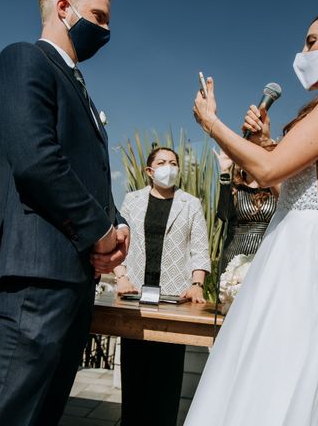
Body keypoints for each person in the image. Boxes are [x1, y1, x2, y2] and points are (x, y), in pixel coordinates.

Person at [186, 8, 318, 425]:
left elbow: (266, 172)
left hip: (303, 251)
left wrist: (212, 123)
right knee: (281, 372)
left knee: (274, 370)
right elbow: (291, 190)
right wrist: (266, 142)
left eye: (311, 42)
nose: (302, 51)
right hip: (303, 235)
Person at [0, 0, 129, 426]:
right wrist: (98, 233)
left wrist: (118, 226)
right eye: (98, 16)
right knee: (7, 412)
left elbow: (90, 173)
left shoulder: (79, 85)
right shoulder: (24, 59)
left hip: (75, 278)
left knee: (43, 413)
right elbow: (37, 161)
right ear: (64, 8)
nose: (106, 30)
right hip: (41, 273)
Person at [113, 146, 211, 426]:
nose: (169, 166)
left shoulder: (190, 203)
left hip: (174, 299)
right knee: (135, 372)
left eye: (173, 162)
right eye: (162, 162)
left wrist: (196, 283)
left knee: (167, 375)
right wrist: (121, 277)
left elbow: (200, 247)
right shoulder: (132, 200)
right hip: (135, 294)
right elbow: (118, 240)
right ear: (149, 170)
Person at [214, 148, 278, 267]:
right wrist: (224, 171)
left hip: (268, 254)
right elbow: (224, 215)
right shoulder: (234, 188)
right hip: (234, 256)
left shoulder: (275, 189)